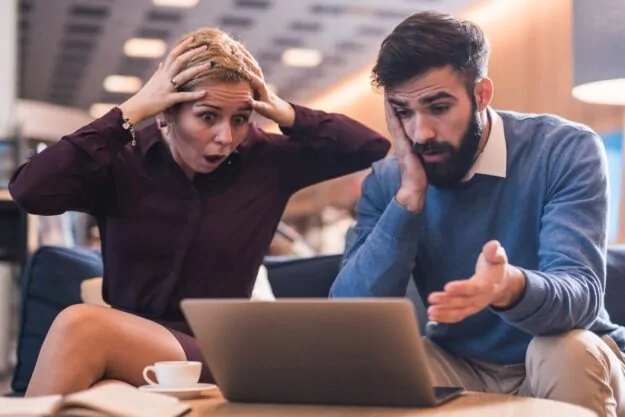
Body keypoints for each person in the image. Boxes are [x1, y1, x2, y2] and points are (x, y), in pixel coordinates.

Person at [10, 27, 390, 396]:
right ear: (165, 114)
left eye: (239, 119)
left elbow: (369, 147)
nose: (226, 137)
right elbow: (29, 192)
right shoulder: (123, 162)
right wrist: (128, 112)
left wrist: (284, 111)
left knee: (82, 326)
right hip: (134, 349)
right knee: (99, 393)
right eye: (208, 117)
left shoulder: (267, 162)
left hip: (225, 353)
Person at [329, 11, 625, 417]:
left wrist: (510, 287)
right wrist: (409, 198)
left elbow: (581, 297)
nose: (420, 133)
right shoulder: (389, 181)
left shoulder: (564, 149)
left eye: (438, 106)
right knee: (372, 363)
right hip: (459, 364)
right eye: (404, 112)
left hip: (569, 356)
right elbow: (348, 317)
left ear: (482, 94)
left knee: (562, 349)